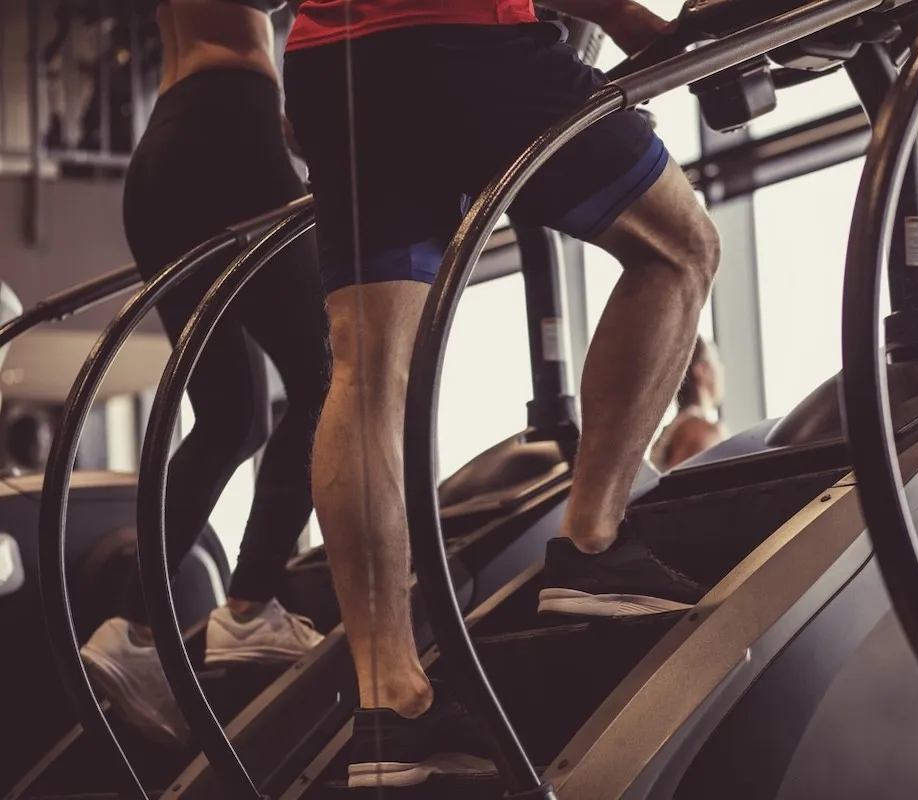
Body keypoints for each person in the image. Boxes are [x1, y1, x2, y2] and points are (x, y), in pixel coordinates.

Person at [283, 0, 721, 789]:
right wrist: (624, 18)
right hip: (462, 33)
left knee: (366, 368)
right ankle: (591, 546)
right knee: (680, 249)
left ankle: (391, 702)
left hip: (332, 60)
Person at [79, 0, 332, 746]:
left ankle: (131, 626)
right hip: (230, 133)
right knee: (332, 372)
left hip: (168, 152)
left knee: (232, 416)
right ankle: (253, 603)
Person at [650, 336, 728, 471]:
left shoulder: (666, 435)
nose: (721, 369)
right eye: (716, 361)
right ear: (701, 370)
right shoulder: (703, 433)